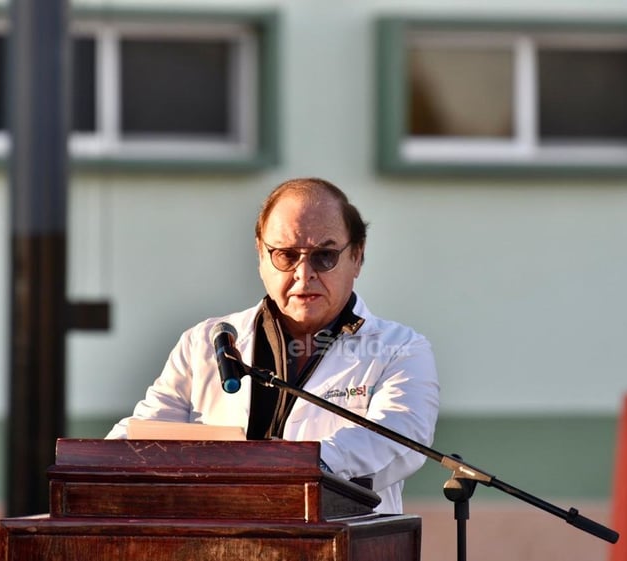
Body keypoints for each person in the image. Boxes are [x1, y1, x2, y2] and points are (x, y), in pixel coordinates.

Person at [107, 177, 439, 513]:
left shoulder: (402, 350)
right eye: (285, 255)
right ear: (261, 257)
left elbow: (399, 440)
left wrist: (294, 465)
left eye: (324, 256)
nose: (303, 273)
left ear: (357, 256)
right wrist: (96, 462)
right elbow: (144, 435)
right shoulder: (203, 343)